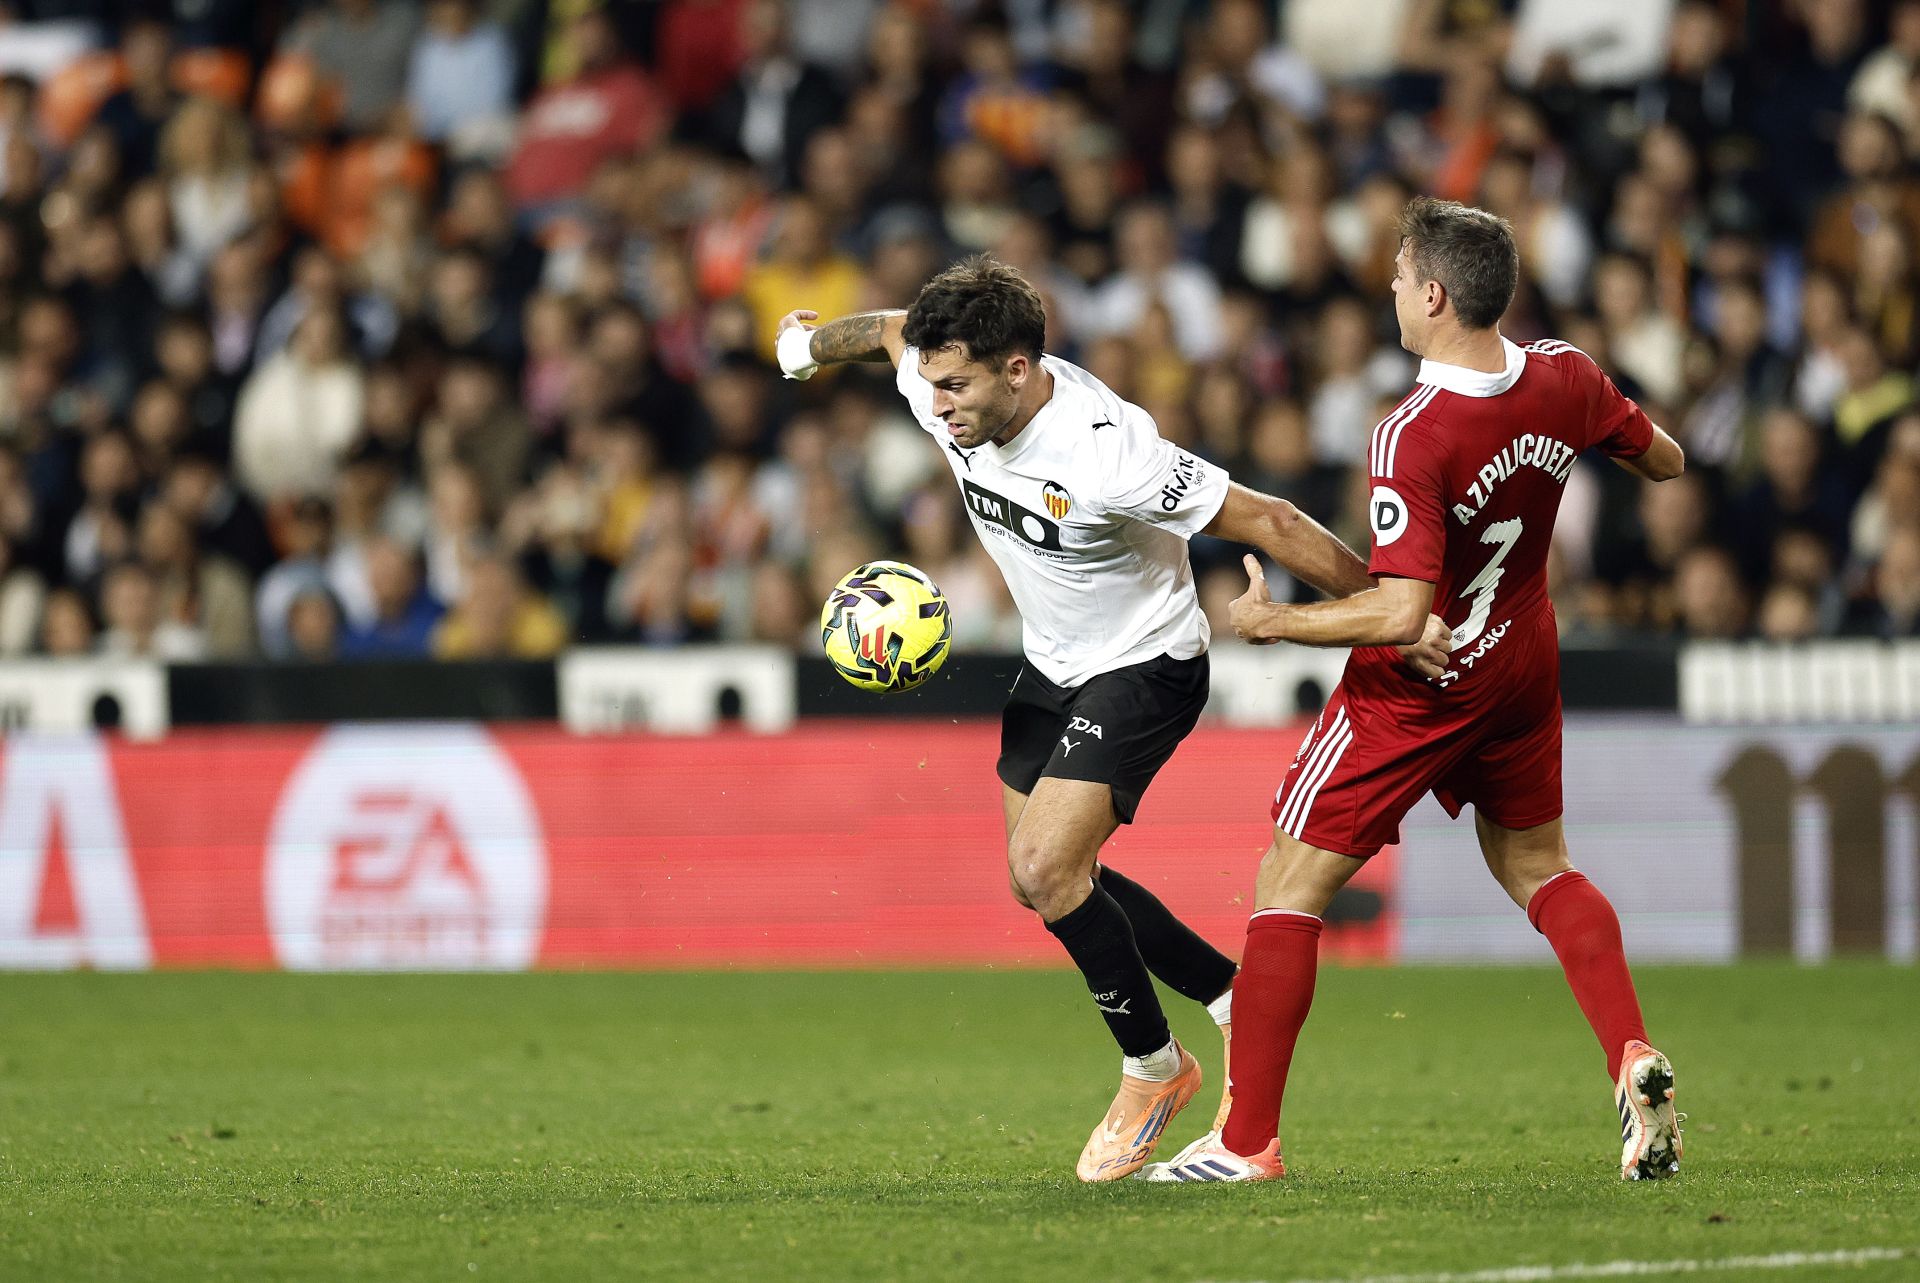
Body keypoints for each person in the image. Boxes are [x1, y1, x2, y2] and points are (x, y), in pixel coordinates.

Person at [775, 257, 1449, 1181]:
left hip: (1147, 662)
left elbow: (1275, 522)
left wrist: (1386, 615)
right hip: (1053, 661)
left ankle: (1155, 1069)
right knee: (1046, 880)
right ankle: (1227, 993)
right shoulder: (941, 381)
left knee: (1044, 865)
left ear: (1018, 369)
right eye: (931, 383)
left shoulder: (1110, 455)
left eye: (957, 385)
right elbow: (891, 329)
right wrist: (808, 347)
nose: (937, 404)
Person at [1142, 198, 1688, 1184]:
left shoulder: (1414, 431)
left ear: (1434, 295)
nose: (1390, 290)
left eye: (1398, 277)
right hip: (1521, 660)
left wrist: (1277, 622)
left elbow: (1402, 613)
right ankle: (1631, 1051)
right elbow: (1664, 459)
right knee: (1539, 865)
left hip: (1420, 685)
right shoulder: (1564, 374)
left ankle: (1245, 1141)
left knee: (1287, 882)